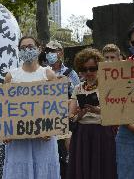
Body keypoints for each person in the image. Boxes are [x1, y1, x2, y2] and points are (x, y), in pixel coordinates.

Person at [2, 36, 60, 179]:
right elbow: (3, 107)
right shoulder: (11, 76)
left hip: (43, 138)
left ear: (39, 49)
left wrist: (51, 130)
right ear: (18, 51)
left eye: (30, 47)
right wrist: (5, 132)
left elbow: (56, 106)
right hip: (18, 141)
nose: (27, 50)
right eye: (23, 48)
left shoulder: (48, 74)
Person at [67, 48, 117, 179]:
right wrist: (80, 114)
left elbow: (116, 113)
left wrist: (98, 110)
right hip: (82, 134)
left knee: (104, 169)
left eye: (92, 68)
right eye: (84, 69)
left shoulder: (108, 86)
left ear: (99, 67)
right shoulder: (77, 89)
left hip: (103, 133)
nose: (88, 72)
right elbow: (71, 117)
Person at [44, 40, 80, 179]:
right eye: (48, 51)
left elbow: (78, 95)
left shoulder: (71, 73)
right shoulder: (42, 71)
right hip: (47, 118)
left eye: (54, 51)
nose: (50, 54)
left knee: (66, 155)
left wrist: (67, 83)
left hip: (65, 119)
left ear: (61, 53)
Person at [115, 21, 134, 179]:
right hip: (126, 133)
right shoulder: (119, 70)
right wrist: (131, 125)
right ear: (129, 44)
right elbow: (113, 101)